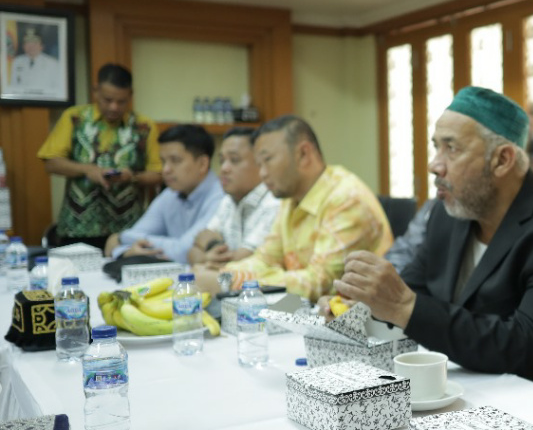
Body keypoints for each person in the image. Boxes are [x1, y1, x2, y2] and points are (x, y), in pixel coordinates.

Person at [334, 86, 533, 401]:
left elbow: (528, 348)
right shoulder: (450, 213)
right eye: (436, 147)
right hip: (472, 388)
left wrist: (403, 306)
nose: (434, 165)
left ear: (502, 160)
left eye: (451, 148)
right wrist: (366, 304)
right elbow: (415, 289)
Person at [198, 115, 392, 301]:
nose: (262, 173)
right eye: (258, 164)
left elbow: (321, 283)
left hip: (361, 318)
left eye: (268, 160)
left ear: (303, 154)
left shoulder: (346, 198)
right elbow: (266, 258)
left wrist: (233, 281)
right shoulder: (291, 199)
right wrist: (224, 274)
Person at [37, 63, 162, 250]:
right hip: (77, 228)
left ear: (130, 95)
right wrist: (87, 170)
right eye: (108, 100)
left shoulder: (144, 126)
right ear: (96, 91)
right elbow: (51, 163)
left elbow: (158, 174)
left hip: (127, 230)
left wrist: (132, 177)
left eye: (121, 101)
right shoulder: (74, 118)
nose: (114, 107)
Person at [104, 124, 224, 263]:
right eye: (163, 161)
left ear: (203, 164)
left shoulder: (221, 197)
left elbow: (183, 251)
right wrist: (125, 252)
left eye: (175, 160)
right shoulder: (170, 194)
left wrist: (121, 238)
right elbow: (134, 237)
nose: (166, 169)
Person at [187, 127, 280, 267]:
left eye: (234, 160)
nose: (224, 168)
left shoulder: (274, 203)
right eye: (221, 160)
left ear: (260, 163)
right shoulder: (228, 201)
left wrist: (208, 255)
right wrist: (210, 253)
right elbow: (192, 251)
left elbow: (243, 263)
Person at [8, 27, 62, 96]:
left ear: (42, 46)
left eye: (35, 43)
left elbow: (57, 89)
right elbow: (12, 86)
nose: (31, 46)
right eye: (28, 43)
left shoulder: (53, 64)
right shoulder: (16, 61)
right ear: (23, 46)